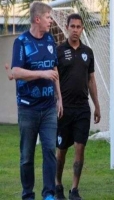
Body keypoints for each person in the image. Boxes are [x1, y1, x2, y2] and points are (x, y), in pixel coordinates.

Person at [5, 1, 63, 200]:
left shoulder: (49, 40)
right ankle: (27, 194)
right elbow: (16, 71)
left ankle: (49, 194)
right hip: (28, 109)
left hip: (48, 109)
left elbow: (54, 70)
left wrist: (59, 98)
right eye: (48, 17)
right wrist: (42, 74)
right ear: (37, 19)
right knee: (26, 157)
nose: (50, 20)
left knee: (49, 151)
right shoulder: (21, 42)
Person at [54, 13, 101, 200]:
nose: (75, 30)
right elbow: (54, 78)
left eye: (78, 27)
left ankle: (74, 189)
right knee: (62, 150)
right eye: (72, 26)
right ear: (67, 27)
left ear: (82, 29)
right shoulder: (58, 51)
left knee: (80, 148)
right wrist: (57, 101)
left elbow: (91, 80)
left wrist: (97, 106)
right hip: (64, 109)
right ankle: (58, 184)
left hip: (82, 108)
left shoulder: (88, 52)